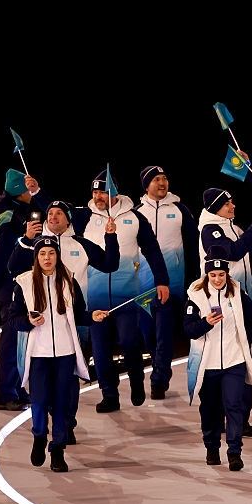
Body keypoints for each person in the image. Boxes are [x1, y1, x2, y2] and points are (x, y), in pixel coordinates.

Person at [8, 199, 119, 444]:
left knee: (68, 384)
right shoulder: (36, 246)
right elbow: (13, 269)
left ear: (68, 218)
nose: (53, 216)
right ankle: (44, 427)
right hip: (35, 330)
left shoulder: (80, 244)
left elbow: (110, 264)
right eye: (50, 212)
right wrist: (25, 241)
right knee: (41, 388)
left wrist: (111, 237)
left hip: (72, 322)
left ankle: (66, 424)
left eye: (59, 213)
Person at [74, 169, 169, 413]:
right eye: (94, 192)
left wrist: (162, 281)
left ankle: (137, 382)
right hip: (95, 298)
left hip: (127, 296)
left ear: (114, 193)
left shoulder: (135, 218)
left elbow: (153, 250)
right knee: (101, 351)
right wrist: (36, 192)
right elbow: (56, 215)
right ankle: (110, 395)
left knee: (129, 341)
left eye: (102, 192)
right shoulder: (84, 218)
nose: (97, 197)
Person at [9, 238, 107, 473]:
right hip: (39, 355)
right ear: (36, 257)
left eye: (51, 253)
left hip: (65, 354)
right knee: (40, 402)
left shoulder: (69, 281)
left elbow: (80, 314)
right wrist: (29, 321)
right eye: (42, 253)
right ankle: (40, 436)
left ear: (57, 255)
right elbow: (13, 320)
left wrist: (91, 316)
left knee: (63, 404)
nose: (47, 258)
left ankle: (58, 450)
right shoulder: (23, 284)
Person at [198, 187, 252, 439]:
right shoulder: (210, 229)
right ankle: (222, 416)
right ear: (215, 207)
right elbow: (231, 252)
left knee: (242, 358)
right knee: (225, 362)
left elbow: (251, 250)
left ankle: (239, 418)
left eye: (233, 202)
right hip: (220, 305)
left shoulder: (230, 226)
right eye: (227, 204)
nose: (233, 206)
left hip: (240, 300)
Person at [183, 246, 252, 470]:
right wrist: (205, 323)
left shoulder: (237, 292)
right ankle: (212, 448)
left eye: (221, 275)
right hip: (208, 365)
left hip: (234, 362)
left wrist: (246, 341)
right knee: (210, 408)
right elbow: (187, 330)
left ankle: (234, 451)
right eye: (213, 275)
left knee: (234, 406)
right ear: (207, 275)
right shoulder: (194, 296)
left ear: (227, 274)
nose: (217, 279)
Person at [0, 168, 50, 411]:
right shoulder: (10, 218)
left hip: (16, 283)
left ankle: (16, 388)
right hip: (11, 285)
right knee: (12, 342)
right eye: (28, 188)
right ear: (20, 191)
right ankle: (5, 394)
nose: (31, 192)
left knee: (21, 342)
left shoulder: (12, 212)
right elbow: (1, 256)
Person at [135, 165, 199, 400]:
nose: (162, 183)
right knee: (148, 333)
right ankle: (159, 366)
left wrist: (196, 276)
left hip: (171, 284)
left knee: (164, 333)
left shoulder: (180, 209)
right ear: (146, 185)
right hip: (141, 286)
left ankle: (159, 378)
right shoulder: (136, 212)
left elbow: (193, 245)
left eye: (164, 178)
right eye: (156, 179)